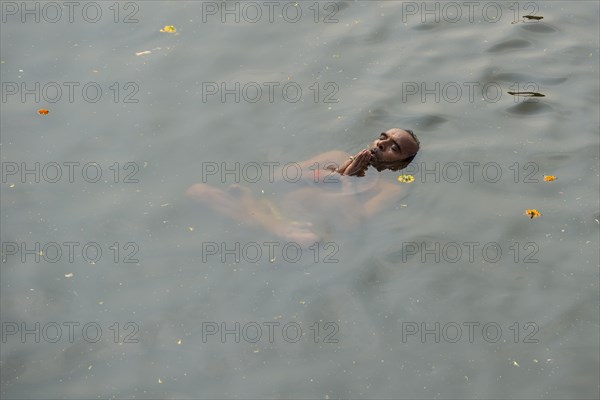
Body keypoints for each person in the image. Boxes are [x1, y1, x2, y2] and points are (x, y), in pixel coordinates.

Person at [187, 128, 420, 246]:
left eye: (393, 147)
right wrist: (334, 176)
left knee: (308, 240)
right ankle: (270, 224)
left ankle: (259, 219)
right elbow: (277, 178)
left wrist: (348, 182)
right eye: (383, 137)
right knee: (197, 191)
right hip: (276, 217)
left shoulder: (389, 190)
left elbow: (352, 225)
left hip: (309, 238)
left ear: (401, 163)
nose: (381, 144)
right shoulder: (336, 156)